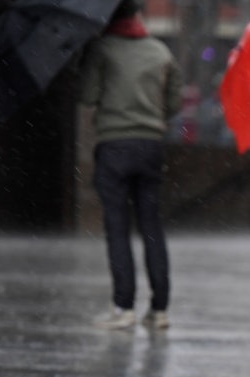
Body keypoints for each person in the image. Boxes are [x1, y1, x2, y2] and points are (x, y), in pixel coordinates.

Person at [79, 0, 182, 330]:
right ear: (138, 16)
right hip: (150, 146)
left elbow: (87, 95)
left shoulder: (102, 48)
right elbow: (174, 102)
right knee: (152, 227)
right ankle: (160, 309)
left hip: (114, 145)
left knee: (117, 227)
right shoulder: (161, 52)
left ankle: (124, 307)